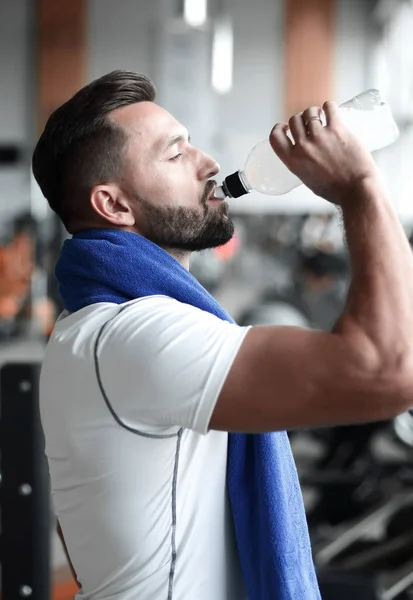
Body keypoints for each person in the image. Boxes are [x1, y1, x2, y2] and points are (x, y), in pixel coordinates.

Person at [33, 71, 413, 600]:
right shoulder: (132, 336)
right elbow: (390, 370)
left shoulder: (90, 332)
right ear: (114, 205)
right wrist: (361, 185)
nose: (208, 163)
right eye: (175, 154)